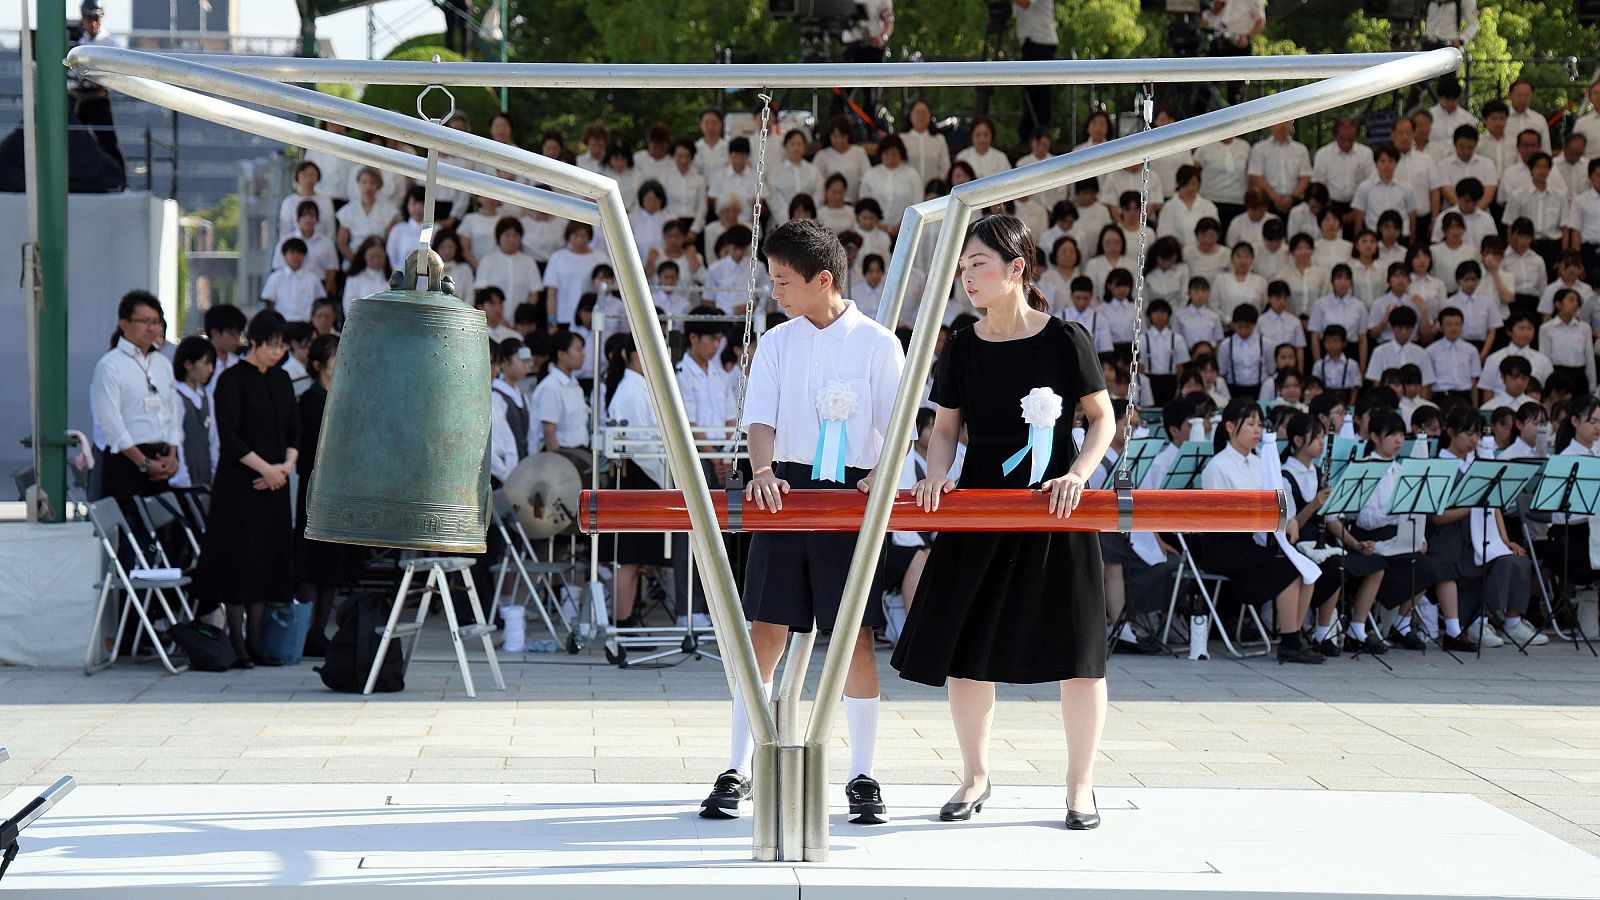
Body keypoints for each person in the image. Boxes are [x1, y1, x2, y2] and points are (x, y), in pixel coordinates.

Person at [892, 214, 1113, 828]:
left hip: (1055, 510)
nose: (967, 277)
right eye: (962, 267)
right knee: (965, 649)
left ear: (1017, 269)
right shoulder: (962, 344)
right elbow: (945, 429)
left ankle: (1080, 786)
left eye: (978, 264)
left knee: (1079, 653)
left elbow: (1102, 419)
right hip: (980, 507)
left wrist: (1079, 473)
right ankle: (975, 776)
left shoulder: (1065, 339)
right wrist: (937, 472)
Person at [700, 219, 905, 824]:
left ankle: (863, 773)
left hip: (852, 494)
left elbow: (897, 424)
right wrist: (761, 470)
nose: (776, 293)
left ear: (825, 279)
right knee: (765, 630)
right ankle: (740, 764)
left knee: (854, 636)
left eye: (785, 282)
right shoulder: (778, 342)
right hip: (784, 492)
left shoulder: (878, 342)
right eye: (772, 281)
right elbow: (760, 416)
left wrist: (881, 473)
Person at [193, 311, 301, 668]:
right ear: (255, 341)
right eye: (272, 345)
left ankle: (257, 641)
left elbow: (293, 431)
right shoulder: (231, 380)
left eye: (282, 346)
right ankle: (237, 642)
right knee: (239, 562)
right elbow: (230, 437)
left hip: (275, 483)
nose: (278, 352)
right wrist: (266, 469)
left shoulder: (283, 379)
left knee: (267, 561)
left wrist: (283, 468)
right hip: (241, 484)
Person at [1195, 398, 1325, 664]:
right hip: (1223, 546)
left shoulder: (1258, 462)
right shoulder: (1218, 466)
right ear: (1230, 427)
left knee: (1306, 569)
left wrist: (1290, 519)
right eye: (1250, 424)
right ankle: (1289, 641)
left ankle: (1294, 635)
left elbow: (1280, 498)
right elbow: (1224, 518)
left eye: (1258, 424)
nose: (1257, 431)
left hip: (1249, 542)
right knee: (1287, 572)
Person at [294, 334, 356, 659]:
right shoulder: (309, 400)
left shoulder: (344, 396)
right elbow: (307, 449)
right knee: (310, 562)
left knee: (332, 564)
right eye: (334, 356)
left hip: (340, 488)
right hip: (315, 486)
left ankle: (320, 630)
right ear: (319, 364)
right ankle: (306, 631)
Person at [91, 291, 181, 517]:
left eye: (156, 322)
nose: (152, 328)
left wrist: (172, 454)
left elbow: (172, 413)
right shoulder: (111, 365)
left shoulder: (162, 364)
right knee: (131, 531)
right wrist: (143, 463)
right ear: (124, 324)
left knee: (161, 533)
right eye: (145, 322)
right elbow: (111, 425)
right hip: (128, 461)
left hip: (161, 458)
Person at [69, 1, 124, 169]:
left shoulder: (110, 42)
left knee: (108, 141)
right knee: (72, 140)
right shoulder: (74, 38)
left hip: (97, 97)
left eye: (97, 19)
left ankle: (118, 176)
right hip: (75, 96)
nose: (93, 23)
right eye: (89, 19)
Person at [529, 331, 589, 453]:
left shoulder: (575, 385)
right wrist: (558, 466)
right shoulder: (550, 387)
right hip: (560, 457)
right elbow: (549, 434)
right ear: (561, 354)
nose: (583, 354)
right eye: (578, 350)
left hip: (578, 453)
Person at [171, 336, 216, 490]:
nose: (210, 369)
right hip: (184, 474)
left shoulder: (206, 395)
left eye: (212, 364)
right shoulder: (176, 396)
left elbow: (213, 439)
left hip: (204, 470)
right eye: (206, 363)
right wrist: (183, 478)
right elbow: (177, 442)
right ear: (188, 364)